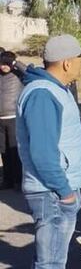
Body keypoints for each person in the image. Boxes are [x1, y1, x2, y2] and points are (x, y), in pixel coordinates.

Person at [15, 34, 81, 269]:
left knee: (52, 265)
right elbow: (44, 153)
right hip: (52, 193)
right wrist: (66, 190)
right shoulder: (44, 95)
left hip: (55, 191)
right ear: (67, 62)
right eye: (80, 59)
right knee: (47, 268)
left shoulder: (51, 90)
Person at [0, 50, 24, 189]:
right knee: (4, 151)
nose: (3, 66)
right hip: (0, 120)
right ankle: (7, 180)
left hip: (14, 118)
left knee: (14, 150)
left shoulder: (18, 75)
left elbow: (30, 72)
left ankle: (18, 180)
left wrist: (15, 63)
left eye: (6, 63)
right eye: (1, 63)